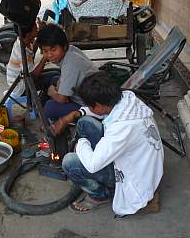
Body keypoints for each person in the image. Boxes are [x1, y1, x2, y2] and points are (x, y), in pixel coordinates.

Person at [56, 72, 164, 216]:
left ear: (99, 105)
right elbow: (97, 112)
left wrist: (81, 144)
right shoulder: (127, 98)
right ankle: (91, 159)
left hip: (135, 178)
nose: (89, 108)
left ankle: (99, 196)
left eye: (89, 105)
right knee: (84, 122)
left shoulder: (122, 127)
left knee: (70, 162)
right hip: (142, 162)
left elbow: (93, 164)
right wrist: (76, 113)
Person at [36, 23, 98, 120]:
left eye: (53, 50)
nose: (49, 55)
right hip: (86, 90)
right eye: (45, 51)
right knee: (55, 79)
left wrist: (52, 92)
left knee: (49, 107)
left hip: (91, 106)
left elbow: (62, 99)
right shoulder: (71, 50)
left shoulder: (71, 63)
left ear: (64, 46)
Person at [6, 20, 57, 97]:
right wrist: (45, 57)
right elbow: (33, 76)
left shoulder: (23, 40)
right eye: (35, 28)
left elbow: (32, 51)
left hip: (24, 78)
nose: (37, 28)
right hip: (21, 87)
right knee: (55, 77)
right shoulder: (21, 51)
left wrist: (40, 33)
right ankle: (43, 100)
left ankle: (46, 95)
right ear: (28, 34)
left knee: (56, 71)